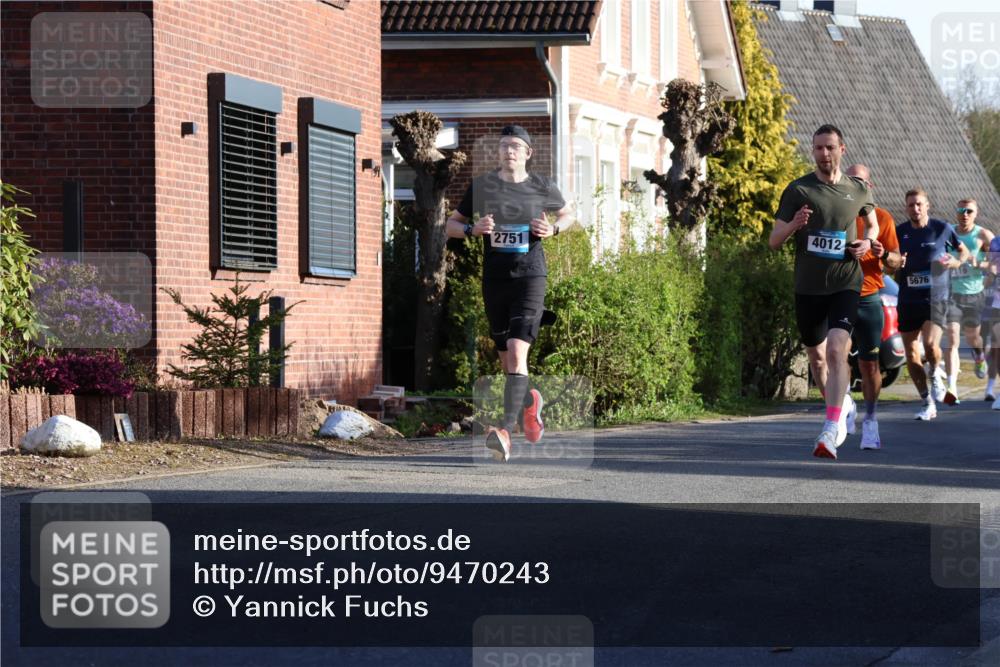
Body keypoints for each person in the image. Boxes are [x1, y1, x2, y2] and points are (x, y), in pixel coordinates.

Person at [446, 125, 574, 462]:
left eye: (516, 146)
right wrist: (472, 229)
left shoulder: (542, 186)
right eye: (503, 146)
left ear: (528, 153)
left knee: (518, 351)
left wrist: (554, 228)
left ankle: (504, 430)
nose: (509, 151)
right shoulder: (483, 186)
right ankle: (530, 402)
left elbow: (569, 214)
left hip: (531, 276)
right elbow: (451, 225)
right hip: (495, 280)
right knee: (507, 360)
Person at [770, 125, 879, 460]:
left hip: (845, 282)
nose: (823, 154)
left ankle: (830, 429)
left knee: (835, 350)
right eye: (818, 148)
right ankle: (841, 402)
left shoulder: (857, 190)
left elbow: (872, 225)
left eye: (829, 148)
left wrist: (865, 242)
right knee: (817, 358)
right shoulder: (799, 190)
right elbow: (775, 241)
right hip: (808, 288)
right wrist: (794, 225)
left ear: (842, 149)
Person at [894, 189, 969, 421]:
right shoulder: (900, 232)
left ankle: (936, 373)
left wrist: (956, 262)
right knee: (911, 355)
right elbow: (889, 265)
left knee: (929, 343)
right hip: (908, 299)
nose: (915, 209)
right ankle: (927, 402)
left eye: (918, 205)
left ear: (927, 206)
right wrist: (896, 262)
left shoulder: (941, 228)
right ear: (906, 208)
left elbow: (963, 251)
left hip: (936, 297)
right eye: (910, 206)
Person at [844, 164, 903, 450]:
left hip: (869, 295)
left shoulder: (882, 217)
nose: (854, 184)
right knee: (836, 354)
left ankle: (870, 420)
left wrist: (883, 254)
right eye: (850, 179)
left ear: (870, 186)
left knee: (869, 363)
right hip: (838, 293)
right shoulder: (838, 210)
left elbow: (895, 262)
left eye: (859, 181)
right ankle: (843, 404)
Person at [942, 198, 994, 401]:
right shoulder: (948, 231)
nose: (965, 214)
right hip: (951, 293)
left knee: (973, 337)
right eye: (961, 210)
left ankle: (979, 356)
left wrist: (978, 264)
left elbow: (995, 267)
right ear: (956, 212)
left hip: (975, 293)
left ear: (976, 213)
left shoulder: (983, 235)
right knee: (952, 337)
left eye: (969, 211)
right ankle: (952, 387)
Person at [983, 235, 1000, 410]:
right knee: (996, 347)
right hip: (997, 304)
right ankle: (991, 388)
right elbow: (988, 279)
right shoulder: (996, 242)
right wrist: (991, 274)